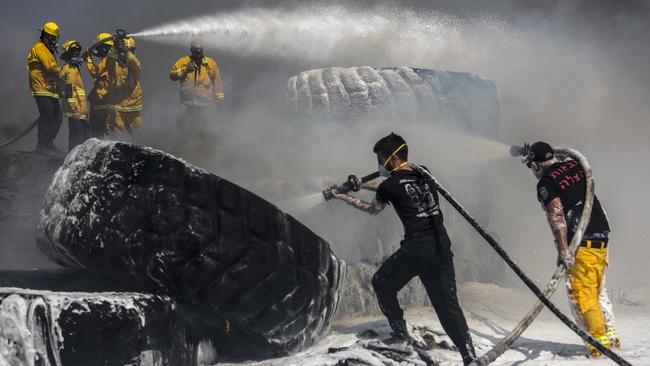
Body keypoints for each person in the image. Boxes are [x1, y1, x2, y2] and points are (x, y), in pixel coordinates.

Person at [329, 133, 476, 365]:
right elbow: (395, 187)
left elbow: (374, 208)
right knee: (447, 306)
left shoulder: (390, 185)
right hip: (441, 248)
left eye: (380, 159)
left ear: (392, 158)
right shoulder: (424, 173)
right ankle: (469, 355)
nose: (378, 165)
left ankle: (400, 335)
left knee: (381, 282)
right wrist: (363, 184)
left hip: (416, 250)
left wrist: (343, 197)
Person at [523, 141, 620, 358]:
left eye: (532, 167)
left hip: (581, 241)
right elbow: (559, 157)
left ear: (537, 166)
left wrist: (564, 250)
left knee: (582, 294)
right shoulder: (575, 165)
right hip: (601, 235)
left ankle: (598, 346)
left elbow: (557, 218)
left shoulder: (546, 184)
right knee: (597, 289)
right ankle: (611, 334)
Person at [27, 21, 63, 155]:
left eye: (55, 38)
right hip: (40, 87)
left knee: (58, 116)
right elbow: (50, 67)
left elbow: (53, 70)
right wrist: (65, 71)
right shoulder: (40, 48)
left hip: (49, 89)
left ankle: (48, 143)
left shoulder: (49, 51)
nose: (54, 41)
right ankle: (41, 146)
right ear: (45, 36)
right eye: (53, 38)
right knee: (47, 114)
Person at [105, 35, 143, 135]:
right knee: (116, 138)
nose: (124, 54)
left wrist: (125, 50)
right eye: (121, 51)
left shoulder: (136, 64)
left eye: (130, 51)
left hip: (133, 108)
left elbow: (134, 64)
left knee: (140, 136)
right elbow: (109, 61)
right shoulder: (113, 65)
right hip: (116, 109)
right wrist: (114, 46)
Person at [59, 40, 89, 151]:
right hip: (76, 111)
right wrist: (75, 109)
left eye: (78, 53)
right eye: (75, 53)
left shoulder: (71, 68)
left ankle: (75, 159)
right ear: (68, 55)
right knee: (78, 139)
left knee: (80, 136)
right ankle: (74, 161)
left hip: (78, 111)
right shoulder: (70, 70)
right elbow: (69, 92)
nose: (77, 55)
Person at [85, 33, 111, 138]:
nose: (97, 50)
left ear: (104, 47)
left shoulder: (106, 60)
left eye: (99, 47)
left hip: (101, 103)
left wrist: (88, 58)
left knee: (97, 132)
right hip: (103, 102)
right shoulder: (110, 59)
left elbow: (94, 72)